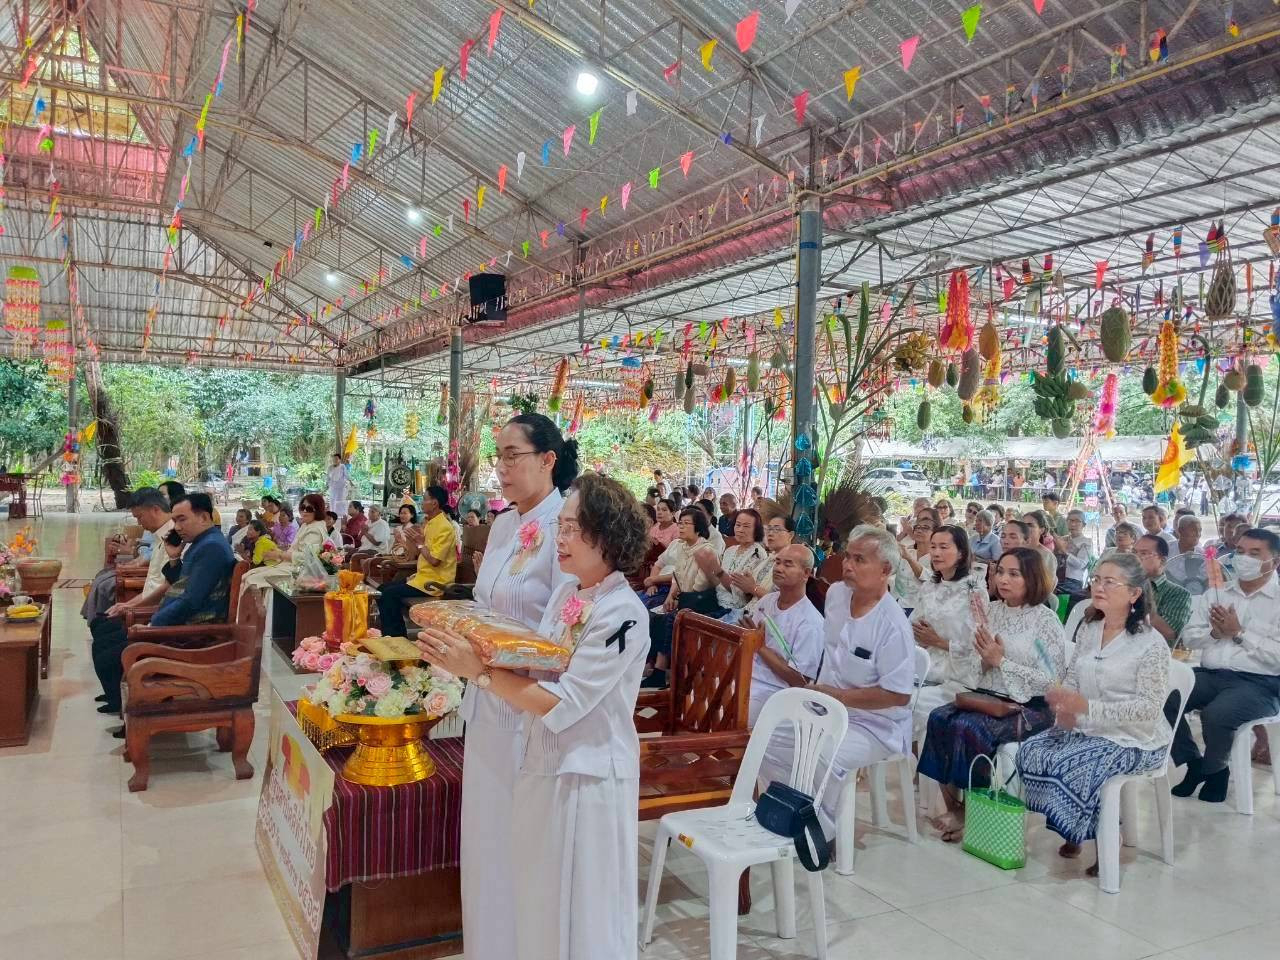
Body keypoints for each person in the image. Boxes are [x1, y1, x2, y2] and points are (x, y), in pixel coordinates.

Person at [417, 413, 576, 960]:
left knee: (520, 846)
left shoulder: (567, 531)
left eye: (514, 456)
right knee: (484, 841)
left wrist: (489, 663)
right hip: (483, 699)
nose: (502, 467)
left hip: (528, 708)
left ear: (548, 460)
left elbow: (562, 638)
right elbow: (487, 609)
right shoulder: (506, 524)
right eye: (499, 455)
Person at [758, 525, 915, 840]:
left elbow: (898, 696)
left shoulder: (892, 625)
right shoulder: (837, 595)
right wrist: (825, 698)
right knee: (768, 735)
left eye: (860, 560)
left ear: (885, 569)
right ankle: (789, 805)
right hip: (825, 705)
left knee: (820, 751)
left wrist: (840, 697)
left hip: (875, 724)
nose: (848, 565)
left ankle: (820, 831)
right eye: (848, 557)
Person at [1016, 553, 1171, 868]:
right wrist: (1065, 701)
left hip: (1134, 738)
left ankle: (1104, 842)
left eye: (1110, 582)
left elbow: (1148, 710)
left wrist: (1089, 707)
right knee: (1032, 750)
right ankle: (1071, 829)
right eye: (1097, 579)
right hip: (1088, 727)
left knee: (1082, 765)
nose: (1099, 586)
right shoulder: (1090, 628)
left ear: (1134, 594)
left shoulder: (1150, 644)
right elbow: (1073, 676)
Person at [918, 547, 1066, 841]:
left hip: (1029, 706)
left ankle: (973, 810)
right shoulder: (992, 612)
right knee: (939, 718)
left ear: (1032, 578)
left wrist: (1002, 662)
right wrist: (985, 661)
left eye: (1014, 574)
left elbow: (1052, 680)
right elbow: (973, 661)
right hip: (988, 697)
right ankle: (956, 805)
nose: (1003, 580)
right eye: (1000, 572)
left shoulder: (1044, 621)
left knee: (967, 726)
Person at [96, 494, 237, 726]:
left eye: (182, 520)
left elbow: (190, 601)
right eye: (175, 521)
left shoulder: (211, 548)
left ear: (203, 517)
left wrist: (153, 626)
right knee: (105, 642)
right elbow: (181, 583)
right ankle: (120, 704)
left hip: (189, 635)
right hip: (177, 625)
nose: (177, 527)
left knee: (109, 655)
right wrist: (173, 558)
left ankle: (133, 713)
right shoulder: (201, 544)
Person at [1168, 528, 1280, 802]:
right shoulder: (1217, 594)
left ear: (1274, 561)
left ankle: (1216, 771)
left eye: (1255, 554)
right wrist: (1216, 633)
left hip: (1261, 683)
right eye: (1240, 552)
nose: (1244, 559)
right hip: (1211, 674)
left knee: (1218, 714)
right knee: (1165, 696)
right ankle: (1193, 763)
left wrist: (1238, 633)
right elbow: (1191, 638)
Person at [911, 524, 989, 737]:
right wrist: (920, 638)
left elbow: (980, 646)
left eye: (944, 547)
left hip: (956, 675)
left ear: (962, 552)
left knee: (911, 706)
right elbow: (916, 626)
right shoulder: (929, 586)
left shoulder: (974, 592)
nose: (936, 553)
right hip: (923, 666)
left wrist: (938, 641)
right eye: (933, 546)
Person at [744, 544, 825, 725]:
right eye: (778, 562)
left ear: (806, 573)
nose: (779, 568)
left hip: (774, 693)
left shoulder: (811, 622)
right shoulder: (767, 600)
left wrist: (759, 646)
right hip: (746, 677)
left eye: (788, 564)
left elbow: (800, 680)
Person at [644, 506, 721, 688]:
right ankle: (654, 667)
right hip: (685, 598)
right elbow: (678, 576)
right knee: (655, 614)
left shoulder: (706, 550)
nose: (681, 527)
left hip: (701, 601)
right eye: (680, 523)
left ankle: (663, 672)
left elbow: (701, 585)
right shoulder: (682, 547)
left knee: (672, 618)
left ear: (698, 528)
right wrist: (671, 596)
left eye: (687, 524)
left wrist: (679, 600)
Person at [376, 485, 457, 637]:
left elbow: (434, 561)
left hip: (434, 583)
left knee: (389, 595)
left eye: (425, 499)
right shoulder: (429, 523)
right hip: (421, 578)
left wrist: (420, 542)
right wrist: (407, 541)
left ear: (434, 503)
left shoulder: (444, 527)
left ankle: (396, 639)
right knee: (381, 589)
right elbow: (416, 554)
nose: (422, 503)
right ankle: (392, 636)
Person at [699, 508, 769, 624]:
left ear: (756, 530)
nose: (740, 530)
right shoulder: (730, 550)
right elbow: (716, 581)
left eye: (746, 526)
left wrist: (717, 570)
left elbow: (741, 596)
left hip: (732, 609)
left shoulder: (757, 553)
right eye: (738, 525)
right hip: (714, 599)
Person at [1134, 534, 1192, 648]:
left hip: (1152, 653)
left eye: (1144, 554)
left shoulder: (1178, 594)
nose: (1136, 558)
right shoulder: (1121, 585)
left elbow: (1169, 633)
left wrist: (1140, 599)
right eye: (1134, 553)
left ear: (1162, 561)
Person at [895, 507, 937, 609]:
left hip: (918, 609)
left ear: (935, 533)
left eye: (925, 528)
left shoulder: (937, 558)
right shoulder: (909, 552)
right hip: (897, 602)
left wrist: (909, 559)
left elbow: (929, 579)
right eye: (917, 527)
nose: (919, 530)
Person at [1165, 514, 1208, 597]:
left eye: (1200, 530)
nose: (1198, 534)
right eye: (1194, 530)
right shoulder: (1166, 549)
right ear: (1180, 530)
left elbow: (1206, 580)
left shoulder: (1202, 554)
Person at [1057, 509, 1093, 593]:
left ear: (1083, 524)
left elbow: (1081, 564)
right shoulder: (1062, 539)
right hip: (1056, 578)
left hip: (1073, 581)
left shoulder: (1086, 542)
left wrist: (1064, 551)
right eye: (1070, 521)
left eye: (1077, 521)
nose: (1073, 524)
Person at [327, 452, 350, 518]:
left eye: (336, 459)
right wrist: (327, 485)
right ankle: (333, 514)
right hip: (333, 486)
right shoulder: (330, 467)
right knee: (332, 500)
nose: (335, 460)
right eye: (334, 459)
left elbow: (346, 475)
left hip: (341, 486)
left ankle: (341, 514)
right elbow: (328, 477)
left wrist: (350, 482)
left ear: (339, 459)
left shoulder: (342, 466)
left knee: (341, 500)